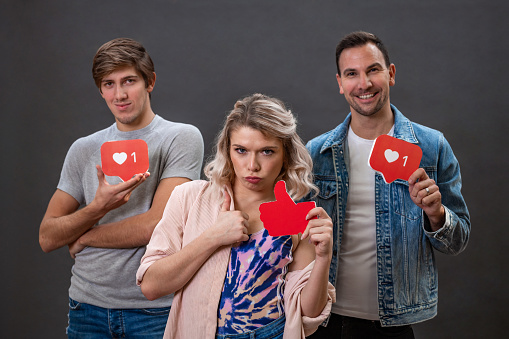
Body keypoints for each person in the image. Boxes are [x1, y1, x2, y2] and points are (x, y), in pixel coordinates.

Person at [306, 31, 470, 338]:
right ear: (340, 83)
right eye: (352, 74)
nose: (364, 84)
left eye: (373, 70)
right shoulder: (316, 153)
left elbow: (457, 241)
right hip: (323, 319)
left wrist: (436, 213)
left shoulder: (431, 147)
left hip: (392, 324)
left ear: (390, 73)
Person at [39, 38, 204, 338]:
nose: (120, 94)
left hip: (153, 309)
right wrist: (97, 208)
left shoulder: (180, 138)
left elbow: (156, 224)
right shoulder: (83, 149)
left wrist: (85, 237)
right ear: (100, 90)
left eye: (129, 81)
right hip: (86, 307)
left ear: (150, 81)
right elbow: (47, 237)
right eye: (109, 84)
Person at [136, 93, 335, 339]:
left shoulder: (295, 218)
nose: (252, 165)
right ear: (227, 150)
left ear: (285, 155)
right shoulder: (189, 198)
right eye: (241, 150)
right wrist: (212, 237)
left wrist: (324, 257)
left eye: (267, 152)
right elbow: (151, 287)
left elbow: (308, 314)